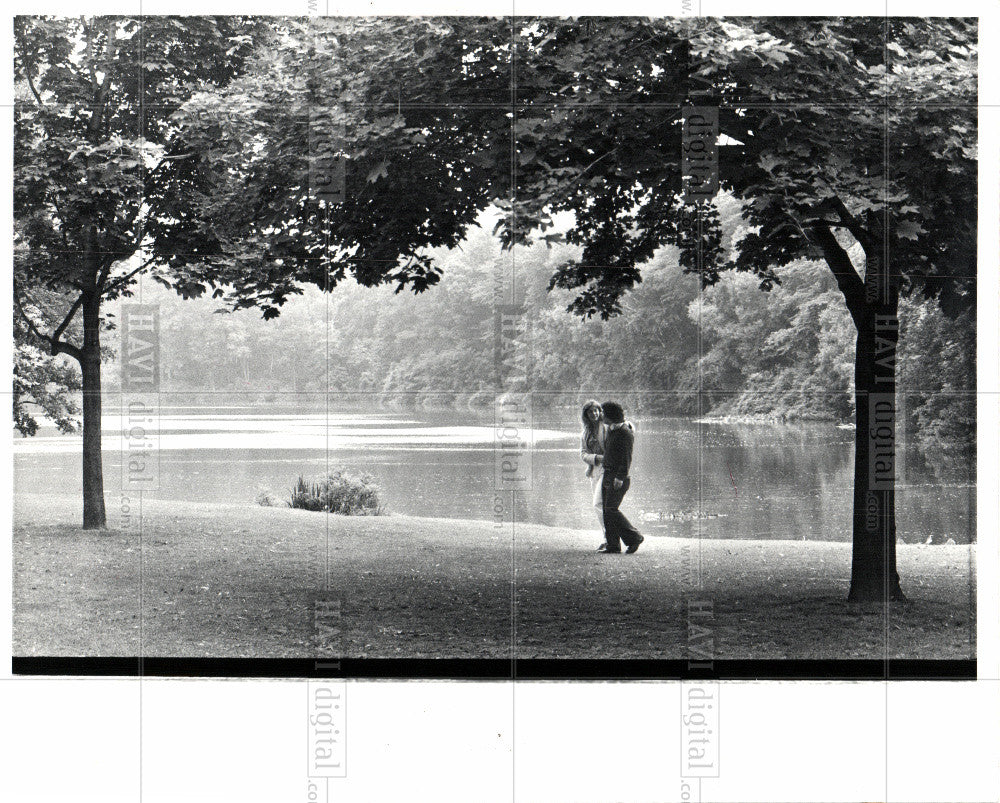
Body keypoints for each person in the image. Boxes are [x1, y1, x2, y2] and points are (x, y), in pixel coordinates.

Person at [597, 401, 643, 554]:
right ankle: (613, 546)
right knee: (606, 510)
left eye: (603, 412)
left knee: (611, 509)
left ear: (611, 415)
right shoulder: (612, 429)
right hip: (608, 473)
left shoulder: (625, 432)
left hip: (618, 476)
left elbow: (626, 457)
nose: (601, 415)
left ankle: (634, 537)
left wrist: (620, 477)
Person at [580, 400, 607, 540]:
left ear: (600, 411)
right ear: (586, 414)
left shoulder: (606, 427)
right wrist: (596, 458)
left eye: (596, 410)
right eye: (590, 411)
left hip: (607, 469)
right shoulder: (585, 432)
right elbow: (583, 453)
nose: (594, 413)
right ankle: (607, 537)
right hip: (594, 470)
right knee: (600, 505)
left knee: (598, 503)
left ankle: (609, 537)